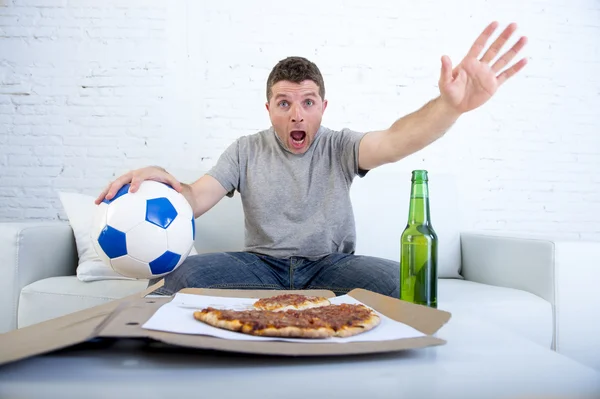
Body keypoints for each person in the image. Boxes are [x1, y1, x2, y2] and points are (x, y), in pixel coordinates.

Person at [95, 21, 527, 297]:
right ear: (269, 110)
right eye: (284, 103)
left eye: (307, 102)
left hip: (330, 266)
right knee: (178, 278)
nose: (296, 113)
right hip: (259, 267)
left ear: (323, 106)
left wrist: (449, 106)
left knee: (405, 284)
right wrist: (164, 181)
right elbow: (193, 197)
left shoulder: (340, 147)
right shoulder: (246, 149)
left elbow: (398, 139)